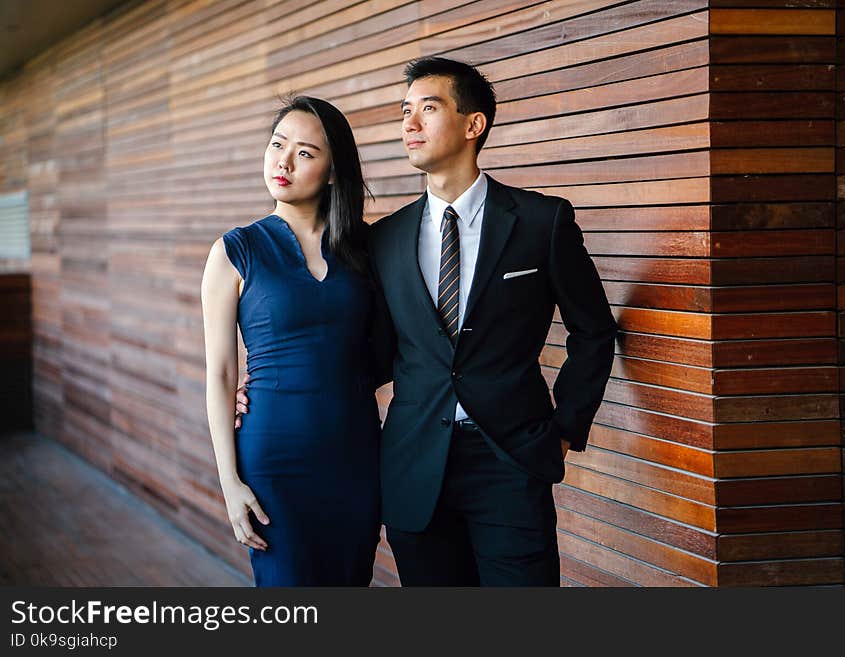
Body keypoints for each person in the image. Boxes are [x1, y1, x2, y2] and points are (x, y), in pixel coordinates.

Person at [239, 57, 618, 586]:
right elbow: (368, 351)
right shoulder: (383, 240)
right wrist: (275, 389)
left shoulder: (540, 222)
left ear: (472, 124)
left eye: (428, 109)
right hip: (415, 465)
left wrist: (565, 428)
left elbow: (594, 330)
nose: (409, 125)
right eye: (405, 111)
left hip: (509, 460)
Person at [201, 95, 380, 586]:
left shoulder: (366, 248)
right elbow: (219, 372)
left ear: (331, 170)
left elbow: (389, 346)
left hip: (356, 455)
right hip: (274, 460)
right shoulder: (234, 251)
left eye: (304, 152)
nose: (283, 161)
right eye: (278, 145)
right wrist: (229, 481)